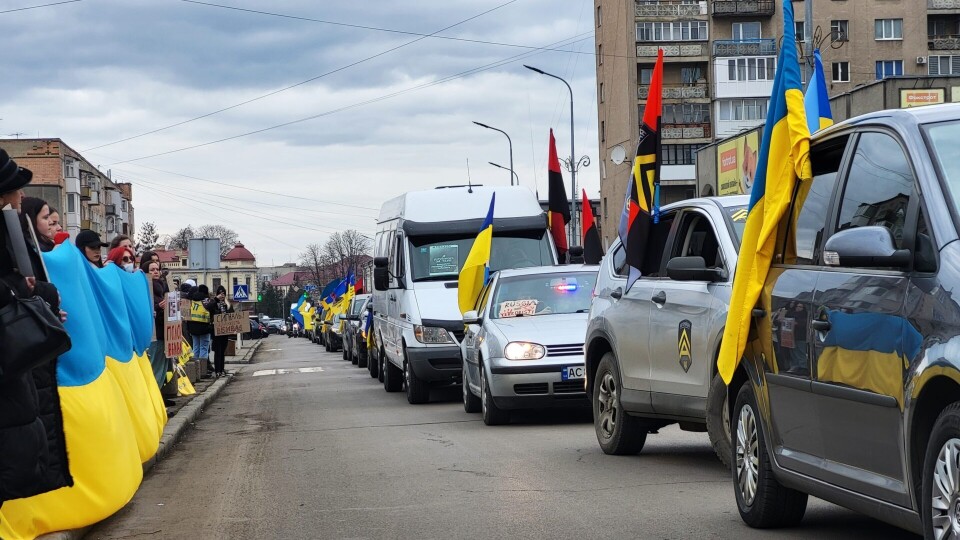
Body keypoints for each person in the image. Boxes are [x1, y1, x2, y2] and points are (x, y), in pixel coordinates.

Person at [0, 149, 72, 503]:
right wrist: (35, 297)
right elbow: (14, 287)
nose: (21, 196)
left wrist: (39, 306)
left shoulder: (11, 231)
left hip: (17, 364)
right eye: (15, 190)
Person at [186, 283, 213, 374]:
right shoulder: (206, 301)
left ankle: (195, 372)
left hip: (193, 329)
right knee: (204, 349)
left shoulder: (192, 301)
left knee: (196, 349)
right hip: (205, 328)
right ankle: (202, 371)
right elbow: (211, 313)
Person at [209, 285, 233, 376]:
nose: (222, 295)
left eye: (223, 293)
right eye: (220, 293)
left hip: (225, 331)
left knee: (222, 351)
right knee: (217, 351)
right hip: (216, 331)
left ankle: (222, 369)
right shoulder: (214, 302)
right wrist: (216, 299)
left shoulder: (227, 304)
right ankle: (217, 370)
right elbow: (209, 307)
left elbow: (232, 314)